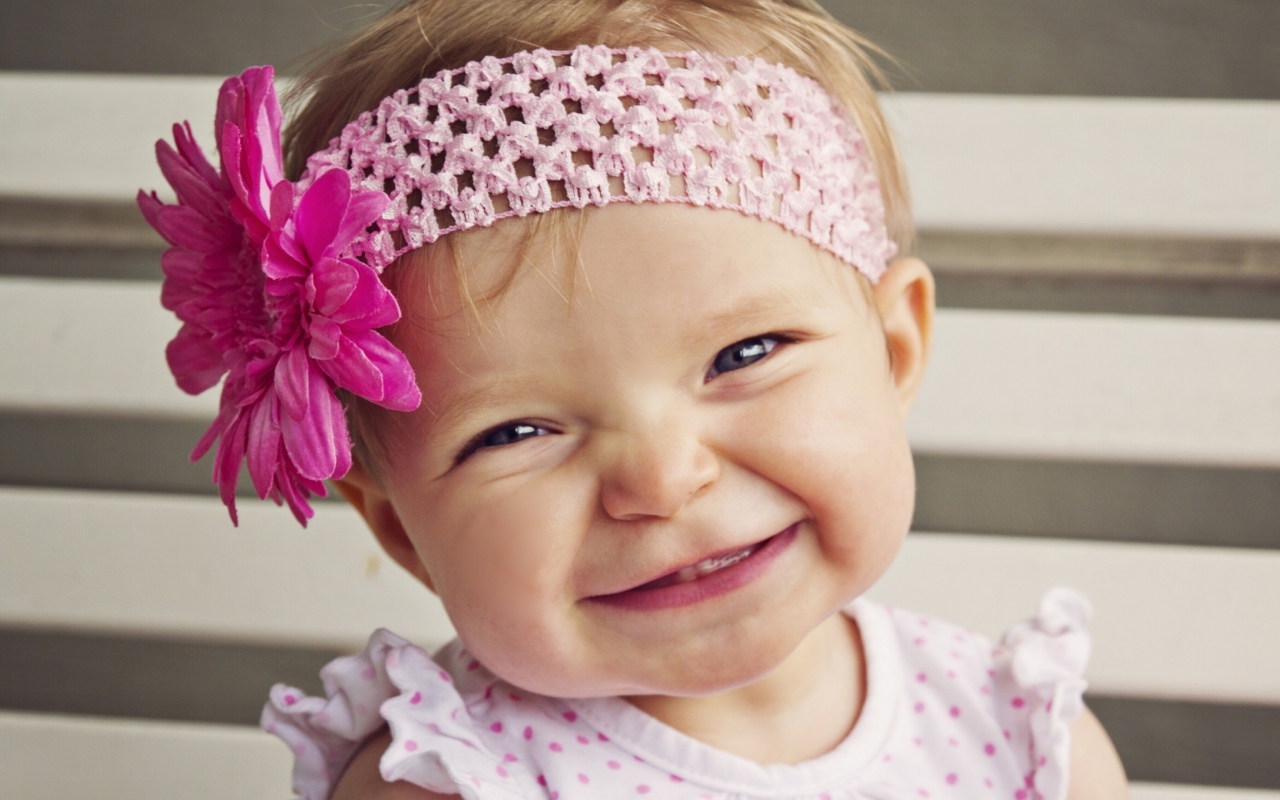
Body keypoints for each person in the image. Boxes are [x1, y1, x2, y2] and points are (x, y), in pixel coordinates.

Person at [138, 1, 1129, 797]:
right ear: (398, 526)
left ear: (894, 345)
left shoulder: (1019, 735)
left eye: (743, 352)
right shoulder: (449, 777)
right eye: (514, 430)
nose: (659, 477)